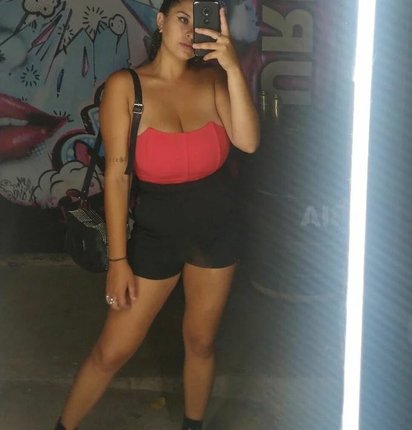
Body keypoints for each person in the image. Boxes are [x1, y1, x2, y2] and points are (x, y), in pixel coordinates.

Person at [54, 0, 259, 428]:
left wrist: (233, 68)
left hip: (217, 232)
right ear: (161, 21)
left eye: (198, 24)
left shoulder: (214, 80)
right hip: (155, 236)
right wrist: (118, 261)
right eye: (182, 19)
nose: (189, 32)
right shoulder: (126, 87)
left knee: (200, 343)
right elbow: (116, 178)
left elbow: (248, 142)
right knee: (111, 351)